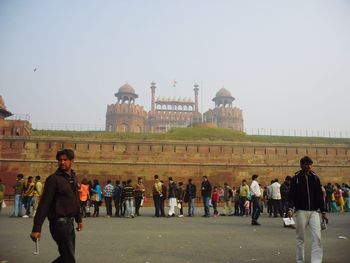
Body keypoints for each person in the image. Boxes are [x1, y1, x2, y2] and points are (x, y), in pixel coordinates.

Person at [30, 149, 82, 263]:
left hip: (69, 223)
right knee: (69, 258)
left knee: (67, 256)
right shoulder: (53, 179)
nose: (62, 162)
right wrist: (36, 229)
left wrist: (79, 219)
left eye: (65, 160)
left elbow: (75, 199)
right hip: (59, 224)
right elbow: (44, 204)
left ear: (72, 161)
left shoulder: (72, 177)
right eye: (60, 160)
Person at [288, 156, 328, 263]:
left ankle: (316, 261)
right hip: (300, 211)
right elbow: (291, 195)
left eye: (310, 164)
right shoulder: (295, 178)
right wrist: (290, 208)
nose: (308, 166)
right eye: (306, 164)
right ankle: (300, 260)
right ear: (301, 165)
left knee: (317, 237)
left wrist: (323, 211)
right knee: (300, 238)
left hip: (314, 212)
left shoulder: (315, 178)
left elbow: (319, 196)